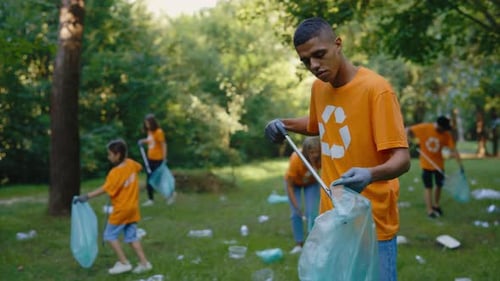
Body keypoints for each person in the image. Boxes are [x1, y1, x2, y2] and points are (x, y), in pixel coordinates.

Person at [264, 17, 410, 281]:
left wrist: (370, 174)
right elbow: (318, 123)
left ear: (338, 44)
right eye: (306, 61)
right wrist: (282, 124)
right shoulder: (319, 88)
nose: (314, 66)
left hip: (372, 219)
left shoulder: (376, 90)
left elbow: (402, 159)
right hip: (333, 215)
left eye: (319, 55)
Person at [75, 139, 152, 275]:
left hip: (121, 210)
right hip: (133, 209)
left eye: (110, 154)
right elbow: (139, 168)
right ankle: (144, 263)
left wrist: (87, 196)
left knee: (109, 235)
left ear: (117, 154)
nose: (108, 157)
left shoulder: (115, 173)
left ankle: (124, 263)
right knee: (132, 237)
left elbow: (105, 189)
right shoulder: (131, 164)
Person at [406, 116, 464, 218]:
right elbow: (407, 130)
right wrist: (408, 139)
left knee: (439, 185)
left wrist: (460, 165)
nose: (445, 130)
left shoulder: (446, 134)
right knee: (428, 187)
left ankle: (436, 205)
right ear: (438, 125)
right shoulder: (425, 128)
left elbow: (454, 150)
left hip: (439, 164)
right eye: (443, 128)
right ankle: (429, 210)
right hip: (426, 164)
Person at [284, 136, 321, 255]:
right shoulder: (296, 159)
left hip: (311, 183)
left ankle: (313, 243)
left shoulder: (321, 158)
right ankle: (299, 244)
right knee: (296, 214)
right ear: (305, 152)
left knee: (312, 212)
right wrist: (297, 207)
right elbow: (289, 186)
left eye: (317, 151)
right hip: (293, 184)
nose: (315, 155)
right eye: (311, 152)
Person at [138, 114, 167, 206]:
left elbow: (163, 145)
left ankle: (169, 195)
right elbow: (150, 140)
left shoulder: (159, 132)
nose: (147, 125)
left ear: (152, 123)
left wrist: (164, 158)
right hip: (150, 159)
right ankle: (151, 199)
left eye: (148, 123)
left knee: (159, 179)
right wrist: (143, 141)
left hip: (158, 159)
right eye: (146, 123)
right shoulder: (150, 132)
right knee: (149, 179)